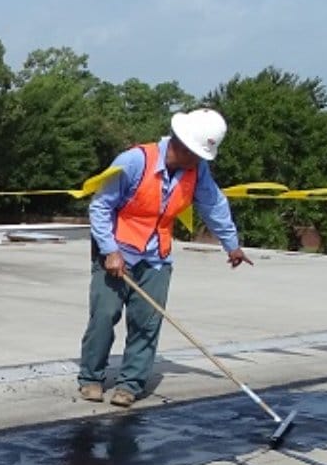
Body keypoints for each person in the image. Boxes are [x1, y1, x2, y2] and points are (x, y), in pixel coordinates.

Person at [78, 108, 252, 408]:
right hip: (116, 251)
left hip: (156, 256)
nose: (199, 160)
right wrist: (110, 251)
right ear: (181, 145)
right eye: (196, 154)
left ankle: (130, 384)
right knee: (104, 317)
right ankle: (91, 378)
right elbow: (100, 207)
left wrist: (231, 244)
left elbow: (214, 205)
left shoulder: (197, 171)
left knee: (147, 323)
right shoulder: (134, 161)